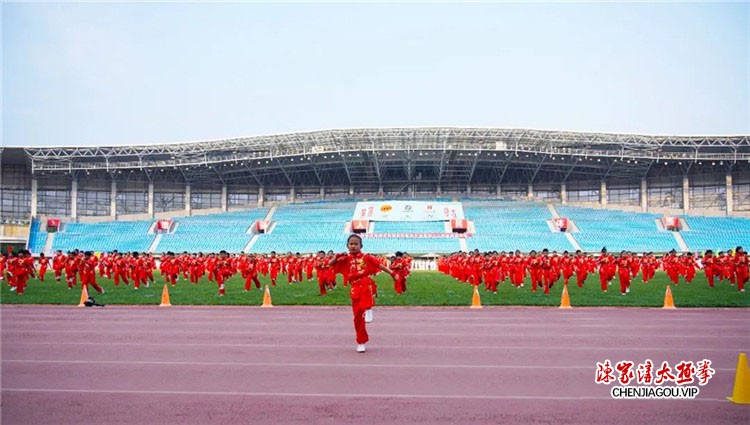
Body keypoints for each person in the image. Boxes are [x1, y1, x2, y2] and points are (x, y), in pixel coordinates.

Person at [330, 234, 395, 353]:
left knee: (365, 284)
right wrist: (337, 256)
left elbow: (379, 265)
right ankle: (361, 341)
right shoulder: (345, 259)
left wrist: (392, 273)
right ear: (347, 246)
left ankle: (369, 308)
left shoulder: (366, 257)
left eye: (356, 244)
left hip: (366, 283)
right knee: (357, 318)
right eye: (351, 244)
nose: (353, 246)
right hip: (354, 287)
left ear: (361, 246)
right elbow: (330, 264)